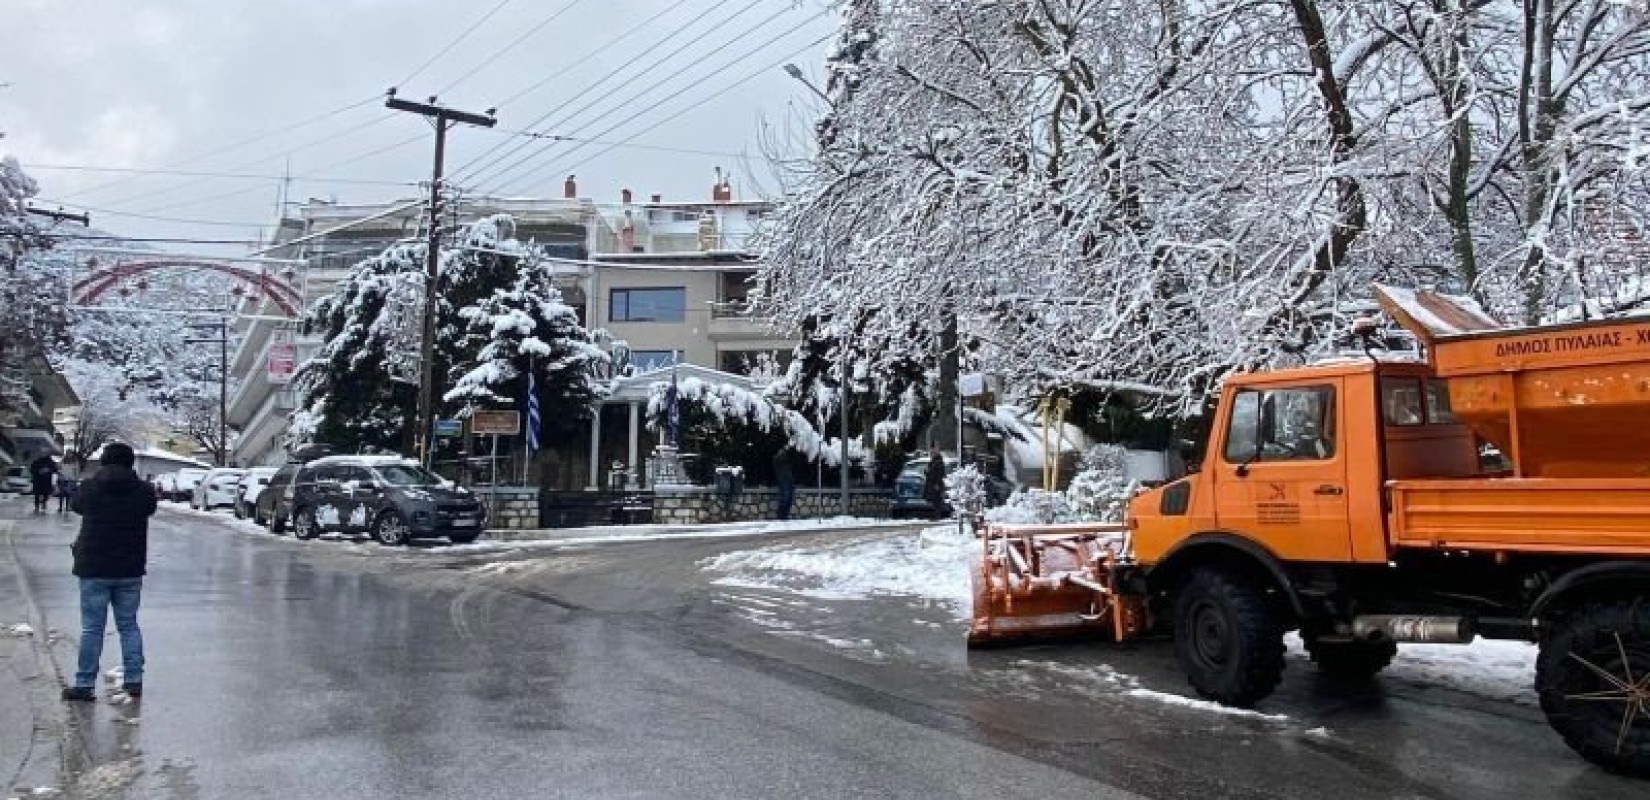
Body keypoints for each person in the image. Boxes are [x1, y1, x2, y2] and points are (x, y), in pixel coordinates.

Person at [62, 443, 156, 702]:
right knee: (128, 625)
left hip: (93, 567)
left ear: (103, 461)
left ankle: (84, 684)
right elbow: (150, 508)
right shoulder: (143, 491)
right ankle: (134, 679)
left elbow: (77, 506)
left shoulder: (91, 487)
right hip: (129, 568)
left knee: (92, 628)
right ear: (130, 463)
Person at [923, 444, 949, 520]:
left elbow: (940, 473)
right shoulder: (933, 461)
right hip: (932, 483)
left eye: (933, 452)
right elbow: (930, 471)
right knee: (934, 500)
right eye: (931, 452)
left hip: (936, 483)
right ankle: (935, 515)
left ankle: (937, 516)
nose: (931, 453)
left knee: (937, 500)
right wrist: (926, 472)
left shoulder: (939, 461)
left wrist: (937, 483)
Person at [773, 447, 796, 521]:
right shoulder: (778, 459)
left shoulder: (786, 460)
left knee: (789, 498)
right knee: (785, 498)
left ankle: (785, 514)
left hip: (789, 480)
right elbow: (779, 460)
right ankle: (782, 515)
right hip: (783, 480)